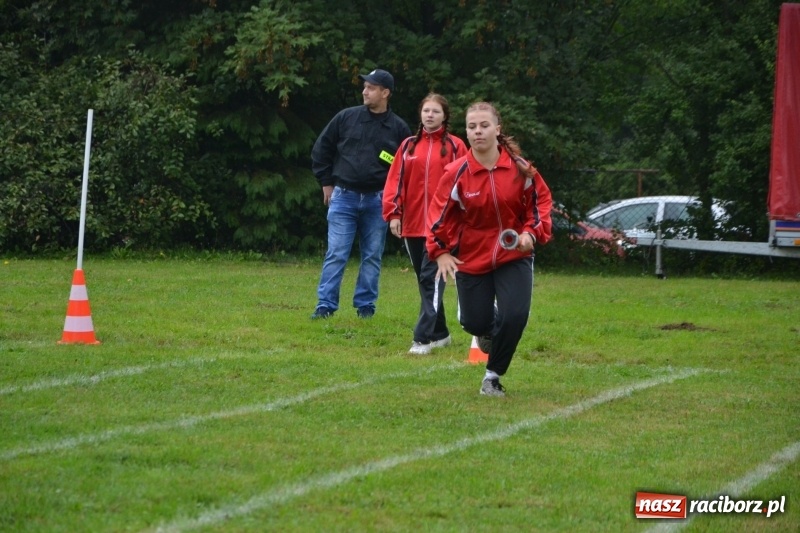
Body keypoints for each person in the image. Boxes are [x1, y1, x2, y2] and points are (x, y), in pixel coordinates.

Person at [426, 101, 552, 396]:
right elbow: (437, 216)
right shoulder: (456, 172)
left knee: (515, 316)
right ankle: (487, 326)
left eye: (484, 126)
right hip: (472, 255)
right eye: (472, 127)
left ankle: (492, 376)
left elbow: (540, 204)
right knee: (475, 321)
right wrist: (441, 252)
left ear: (498, 129)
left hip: (514, 254)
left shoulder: (521, 169)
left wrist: (530, 234)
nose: (478, 131)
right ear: (466, 132)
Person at [310, 69, 412, 319]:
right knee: (336, 253)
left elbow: (406, 169)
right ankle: (325, 306)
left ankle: (365, 307)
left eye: (371, 87)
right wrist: (326, 182)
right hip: (343, 196)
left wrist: (396, 202)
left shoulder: (399, 128)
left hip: (378, 201)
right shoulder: (346, 117)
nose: (365, 91)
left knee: (372, 256)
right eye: (365, 86)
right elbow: (321, 148)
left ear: (385, 93)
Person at [383, 93, 468, 354]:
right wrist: (394, 213)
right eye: (426, 111)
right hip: (411, 225)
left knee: (431, 278)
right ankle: (441, 334)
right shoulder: (408, 146)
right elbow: (395, 180)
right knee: (424, 279)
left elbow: (466, 183)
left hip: (443, 227)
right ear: (420, 114)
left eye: (436, 111)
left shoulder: (456, 146)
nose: (430, 115)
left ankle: (423, 339)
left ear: (445, 116)